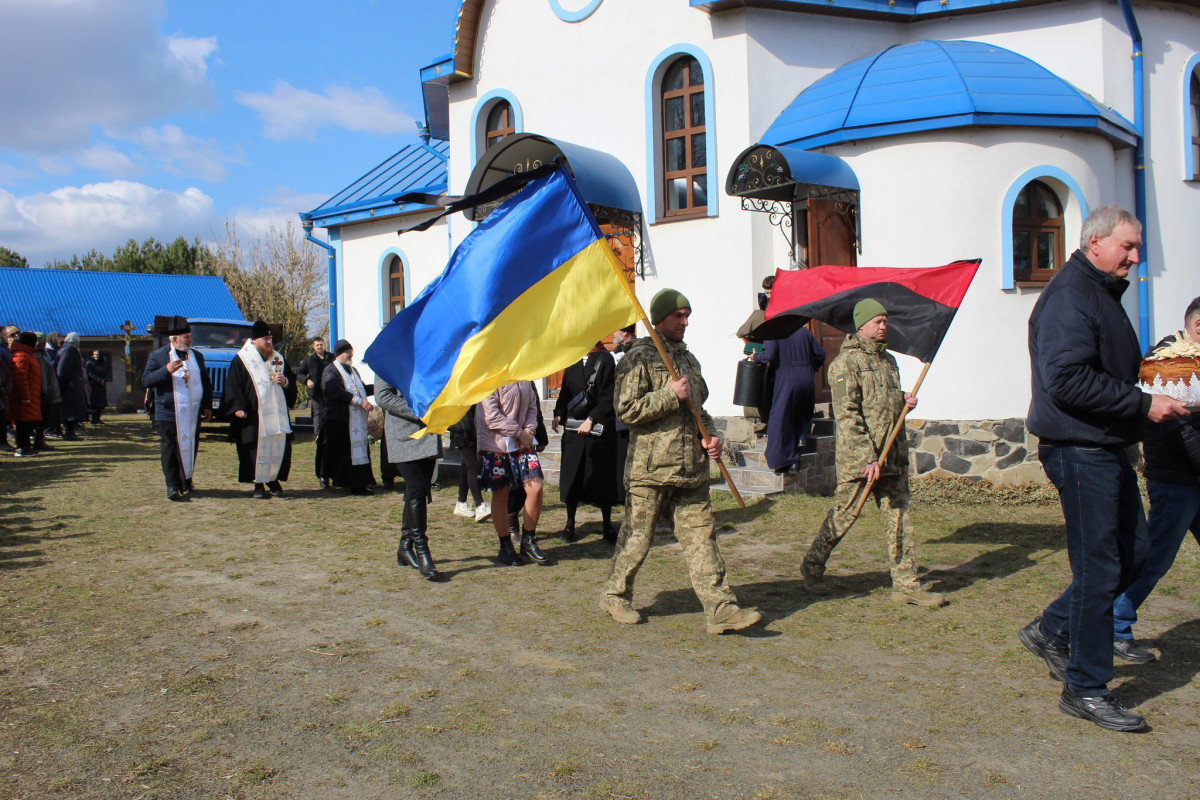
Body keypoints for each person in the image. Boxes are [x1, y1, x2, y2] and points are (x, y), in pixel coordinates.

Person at [1020, 205, 1188, 733]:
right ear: (1094, 243)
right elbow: (1067, 381)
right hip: (1078, 448)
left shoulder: (1099, 293)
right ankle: (1086, 686)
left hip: (1106, 444)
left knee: (1134, 554)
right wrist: (1142, 404)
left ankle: (1051, 628)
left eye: (1138, 248)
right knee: (1099, 570)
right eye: (1128, 247)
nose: (1136, 258)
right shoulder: (1070, 297)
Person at [601, 289, 763, 635]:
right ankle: (616, 594)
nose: (685, 322)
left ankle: (721, 609)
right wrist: (668, 394)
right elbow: (626, 410)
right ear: (659, 318)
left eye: (687, 315)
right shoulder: (640, 357)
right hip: (652, 469)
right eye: (678, 316)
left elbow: (697, 408)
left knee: (702, 538)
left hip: (691, 466)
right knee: (638, 537)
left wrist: (711, 438)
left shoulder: (689, 359)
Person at [799, 299, 943, 606]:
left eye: (885, 321)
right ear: (861, 325)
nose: (883, 326)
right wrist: (867, 457)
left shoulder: (888, 361)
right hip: (862, 460)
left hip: (891, 456)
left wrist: (903, 400)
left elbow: (883, 403)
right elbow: (848, 413)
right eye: (877, 321)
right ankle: (812, 565)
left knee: (900, 516)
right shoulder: (845, 364)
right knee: (844, 515)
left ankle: (906, 583)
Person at [1112, 296, 1200, 663]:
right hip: (1177, 479)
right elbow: (1180, 429)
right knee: (1156, 557)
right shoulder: (1171, 364)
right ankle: (1114, 624)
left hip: (1191, 475)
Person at [217, 320, 297, 499]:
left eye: (270, 338)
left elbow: (290, 381)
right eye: (265, 339)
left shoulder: (278, 358)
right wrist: (237, 407)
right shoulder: (243, 359)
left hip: (276, 415)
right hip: (254, 415)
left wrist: (285, 382)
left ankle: (273, 479)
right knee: (255, 448)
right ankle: (258, 484)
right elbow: (233, 385)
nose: (269, 342)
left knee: (277, 446)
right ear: (254, 340)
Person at [552, 341, 621, 542]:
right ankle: (569, 524)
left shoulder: (605, 359)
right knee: (572, 477)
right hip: (574, 430)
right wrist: (558, 413)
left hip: (598, 431)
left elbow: (609, 396)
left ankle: (607, 525)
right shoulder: (572, 360)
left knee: (602, 478)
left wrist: (592, 419)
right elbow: (565, 392)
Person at [476, 381, 550, 566]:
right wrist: (518, 432)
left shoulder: (523, 375)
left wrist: (529, 431)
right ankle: (505, 545)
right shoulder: (489, 377)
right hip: (495, 445)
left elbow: (533, 407)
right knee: (501, 493)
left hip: (522, 444)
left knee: (536, 488)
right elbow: (491, 417)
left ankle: (528, 540)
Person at [142, 317, 213, 500]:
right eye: (186, 337)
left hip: (192, 412)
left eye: (190, 337)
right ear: (174, 339)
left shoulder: (197, 356)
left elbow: (206, 382)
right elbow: (146, 380)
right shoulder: (158, 356)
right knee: (170, 448)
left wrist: (207, 405)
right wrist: (166, 369)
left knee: (190, 446)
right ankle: (172, 485)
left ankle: (186, 479)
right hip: (168, 412)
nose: (190, 340)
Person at [376, 375, 440, 579]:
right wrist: (418, 408)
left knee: (417, 491)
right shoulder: (388, 353)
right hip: (403, 433)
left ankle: (405, 546)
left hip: (428, 433)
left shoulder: (424, 352)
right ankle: (422, 550)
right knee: (417, 489)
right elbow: (383, 396)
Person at [753, 324, 826, 473]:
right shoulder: (804, 331)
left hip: (787, 377)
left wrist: (755, 356)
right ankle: (800, 438)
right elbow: (820, 353)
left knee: (780, 418)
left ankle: (785, 462)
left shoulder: (774, 331)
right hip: (807, 377)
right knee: (800, 411)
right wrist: (815, 366)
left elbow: (769, 355)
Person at [318, 340, 376, 495]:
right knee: (337, 452)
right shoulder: (330, 371)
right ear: (339, 354)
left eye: (351, 351)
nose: (351, 354)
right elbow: (334, 391)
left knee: (356, 452)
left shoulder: (353, 371)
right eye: (348, 352)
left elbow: (361, 389)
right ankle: (330, 477)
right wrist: (359, 402)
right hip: (339, 419)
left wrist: (379, 387)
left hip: (354, 420)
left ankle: (359, 483)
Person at [297, 336, 334, 487]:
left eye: (321, 344)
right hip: (316, 393)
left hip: (330, 392)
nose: (320, 347)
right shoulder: (309, 361)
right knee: (318, 412)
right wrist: (306, 381)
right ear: (313, 347)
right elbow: (299, 373)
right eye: (317, 345)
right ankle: (318, 434)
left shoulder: (331, 358)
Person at [448, 405, 490, 522]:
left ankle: (461, 502)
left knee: (466, 465)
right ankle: (480, 505)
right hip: (462, 429)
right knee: (472, 465)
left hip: (470, 428)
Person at [9, 331, 42, 458]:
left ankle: (26, 445)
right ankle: (22, 447)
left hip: (31, 395)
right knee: (22, 423)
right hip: (24, 398)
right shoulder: (21, 356)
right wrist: (25, 396)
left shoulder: (27, 355)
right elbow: (20, 378)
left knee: (27, 423)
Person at [34, 334, 61, 451]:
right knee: (40, 418)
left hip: (46, 391)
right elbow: (43, 377)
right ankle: (38, 440)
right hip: (43, 393)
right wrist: (44, 392)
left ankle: (39, 439)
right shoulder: (39, 356)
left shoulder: (41, 355)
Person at [85, 350, 108, 425]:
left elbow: (106, 373)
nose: (96, 356)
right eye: (94, 354)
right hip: (94, 386)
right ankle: (94, 419)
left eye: (97, 354)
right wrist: (98, 380)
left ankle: (98, 418)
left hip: (101, 387)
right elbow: (89, 374)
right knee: (95, 403)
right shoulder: (90, 363)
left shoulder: (102, 363)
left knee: (100, 404)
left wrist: (103, 380)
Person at [0, 326, 13, 452]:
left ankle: (2, 440)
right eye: (4, 336)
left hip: (4, 388)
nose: (7, 338)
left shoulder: (5, 350)